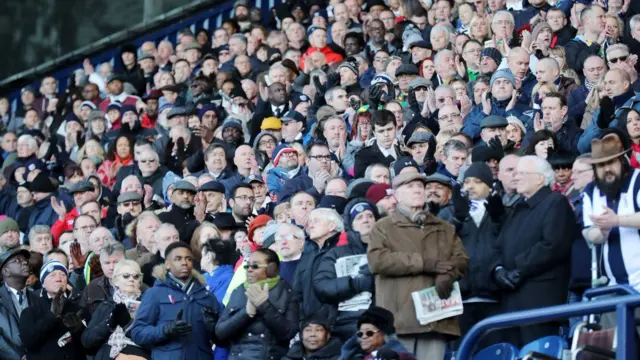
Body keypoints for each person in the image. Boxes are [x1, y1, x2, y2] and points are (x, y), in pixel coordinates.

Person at [368, 172, 467, 359]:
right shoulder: (383, 227)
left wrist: (448, 275)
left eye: (420, 186)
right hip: (398, 321)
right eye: (410, 186)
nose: (417, 190)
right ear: (396, 195)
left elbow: (461, 259)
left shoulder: (444, 227)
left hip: (436, 319)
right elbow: (378, 261)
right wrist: (423, 263)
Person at [491, 155, 576, 347]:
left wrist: (519, 269)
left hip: (541, 303)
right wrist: (498, 271)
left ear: (540, 178)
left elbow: (553, 245)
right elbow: (499, 246)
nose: (516, 177)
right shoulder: (518, 208)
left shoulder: (556, 203)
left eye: (522, 173)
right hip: (511, 302)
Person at [130, 242, 222, 359]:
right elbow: (138, 333)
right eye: (178, 259)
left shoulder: (207, 296)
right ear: (167, 264)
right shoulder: (155, 294)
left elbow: (223, 340)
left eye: (188, 259)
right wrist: (166, 330)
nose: (184, 262)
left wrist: (214, 329)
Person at [313, 198, 379, 342]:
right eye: (359, 217)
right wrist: (355, 284)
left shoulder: (387, 251)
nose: (366, 220)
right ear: (350, 225)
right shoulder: (335, 254)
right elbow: (321, 286)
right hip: (348, 324)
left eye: (370, 216)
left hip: (382, 322)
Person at [216, 248, 299, 360]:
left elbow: (288, 333)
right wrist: (246, 313)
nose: (249, 270)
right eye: (247, 266)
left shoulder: (286, 291)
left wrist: (264, 306)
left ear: (272, 268)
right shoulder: (239, 290)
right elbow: (220, 332)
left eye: (255, 266)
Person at [81, 259, 150, 360]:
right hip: (107, 354)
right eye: (126, 276)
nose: (131, 279)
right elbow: (87, 341)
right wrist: (109, 325)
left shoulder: (149, 305)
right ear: (116, 280)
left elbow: (155, 340)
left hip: (138, 354)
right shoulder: (106, 305)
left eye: (136, 276)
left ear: (140, 281)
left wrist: (128, 325)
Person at [18, 260, 86, 360]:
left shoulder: (78, 308)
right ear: (43, 283)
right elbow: (28, 343)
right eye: (52, 275)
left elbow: (89, 346)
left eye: (63, 275)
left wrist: (79, 329)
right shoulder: (30, 312)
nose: (58, 279)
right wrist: (51, 317)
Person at [339, 306, 416, 360]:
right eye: (360, 334)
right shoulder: (351, 354)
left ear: (384, 335)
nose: (364, 337)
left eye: (369, 333)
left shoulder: (396, 356)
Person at [0, 248, 36, 360]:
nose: (25, 262)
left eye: (25, 260)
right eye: (17, 260)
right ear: (5, 271)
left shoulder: (37, 297)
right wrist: (17, 357)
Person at [201, 237, 237, 304]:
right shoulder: (203, 277)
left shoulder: (228, 278)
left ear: (209, 256)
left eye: (202, 255)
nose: (201, 260)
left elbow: (216, 306)